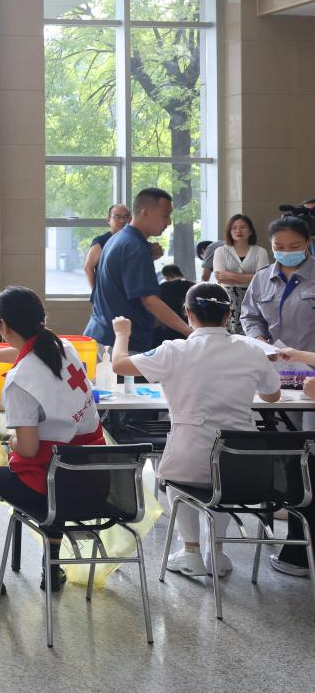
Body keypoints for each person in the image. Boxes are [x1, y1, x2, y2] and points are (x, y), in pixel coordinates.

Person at [110, 285, 281, 579]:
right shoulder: (252, 350)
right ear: (228, 315)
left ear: (188, 314)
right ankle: (216, 550)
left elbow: (119, 365)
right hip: (244, 465)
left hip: (190, 458)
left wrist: (122, 334)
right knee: (224, 479)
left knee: (178, 473)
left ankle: (191, 551)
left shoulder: (174, 350)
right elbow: (272, 396)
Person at [0, 287, 105, 595]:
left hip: (51, 490)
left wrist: (10, 440)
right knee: (60, 466)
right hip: (95, 481)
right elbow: (28, 352)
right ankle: (52, 568)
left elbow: (29, 449)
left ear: (3, 326)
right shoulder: (63, 348)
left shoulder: (20, 381)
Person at [239, 214, 315, 576]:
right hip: (277, 378)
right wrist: (259, 339)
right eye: (279, 247)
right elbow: (249, 315)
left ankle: (302, 548)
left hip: (312, 377)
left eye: (294, 246)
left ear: (308, 242)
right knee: (288, 455)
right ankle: (295, 542)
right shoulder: (262, 278)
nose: (286, 252)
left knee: (310, 456)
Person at [84, 187, 191, 352]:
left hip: (103, 335)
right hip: (120, 344)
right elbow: (150, 301)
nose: (169, 222)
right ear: (145, 213)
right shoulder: (134, 247)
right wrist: (190, 331)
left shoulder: (118, 238)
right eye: (165, 215)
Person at [212, 213, 269, 335]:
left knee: (254, 333)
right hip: (228, 300)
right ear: (229, 231)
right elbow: (221, 278)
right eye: (234, 228)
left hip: (254, 297)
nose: (238, 231)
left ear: (250, 231)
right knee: (230, 336)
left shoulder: (260, 252)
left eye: (243, 227)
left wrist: (230, 276)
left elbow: (262, 279)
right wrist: (250, 277)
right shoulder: (220, 251)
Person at [83, 204, 161, 290]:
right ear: (109, 219)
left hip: (131, 292)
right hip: (108, 293)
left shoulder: (136, 240)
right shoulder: (101, 241)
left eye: (126, 217)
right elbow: (88, 267)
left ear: (131, 220)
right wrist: (96, 292)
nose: (122, 221)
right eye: (118, 217)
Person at [153, 264, 194, 347]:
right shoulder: (194, 287)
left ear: (166, 276)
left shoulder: (163, 287)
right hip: (190, 330)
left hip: (169, 331)